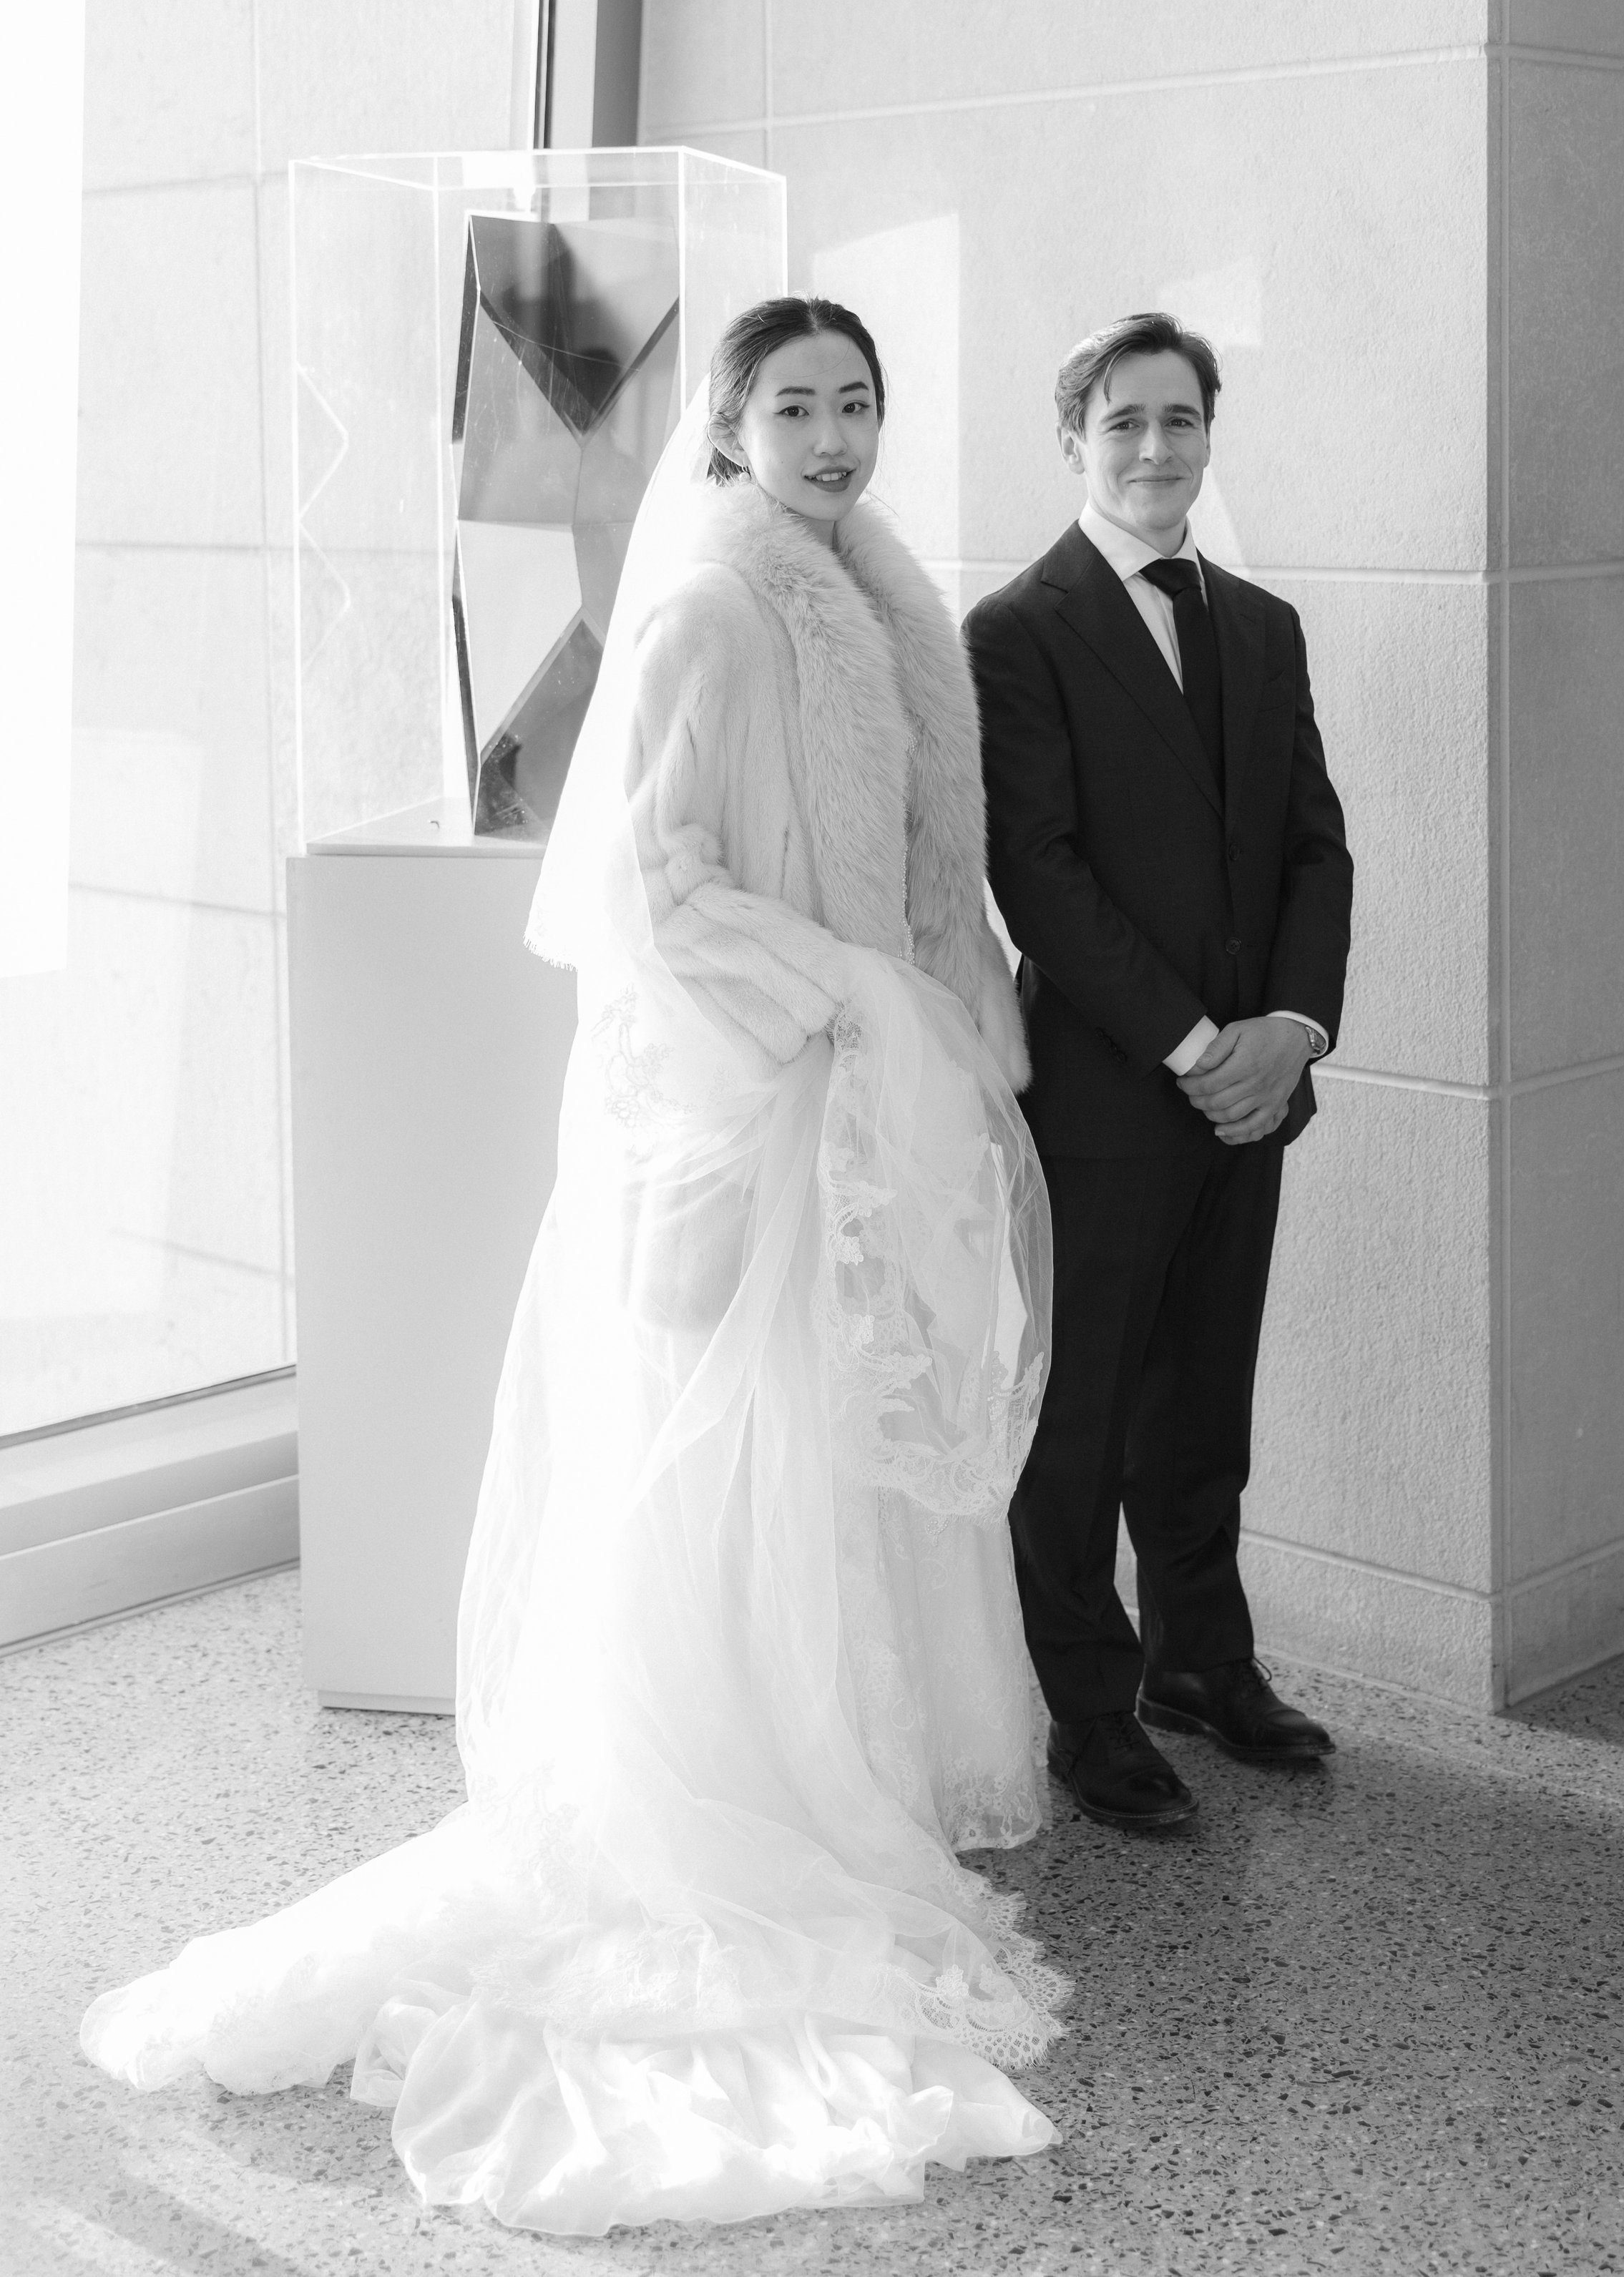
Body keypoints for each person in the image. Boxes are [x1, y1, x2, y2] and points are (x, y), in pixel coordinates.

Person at [82, 298, 1067, 2233]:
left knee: (842, 1449)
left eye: (860, 401)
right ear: (724, 419)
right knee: (749, 1449)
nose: (837, 433)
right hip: (762, 1108)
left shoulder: (875, 604)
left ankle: (846, 1754)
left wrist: (928, 1011)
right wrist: (831, 1004)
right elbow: (634, 886)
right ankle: (754, 1779)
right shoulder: (714, 609)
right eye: (796, 403)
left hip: (855, 1107)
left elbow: (916, 867)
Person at [964, 311, 1352, 1833]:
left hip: (1250, 1090)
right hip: (1111, 1092)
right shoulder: (1015, 629)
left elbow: (1314, 848)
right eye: (1120, 422)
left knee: (1205, 1399)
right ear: (1073, 439)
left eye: (1176, 421)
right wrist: (1195, 1045)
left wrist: (1290, 1034)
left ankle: (1205, 1661)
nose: (1151, 449)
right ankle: (1085, 1704)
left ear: (1208, 432)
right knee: (1079, 1415)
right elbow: (1036, 875)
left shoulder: (1261, 625)